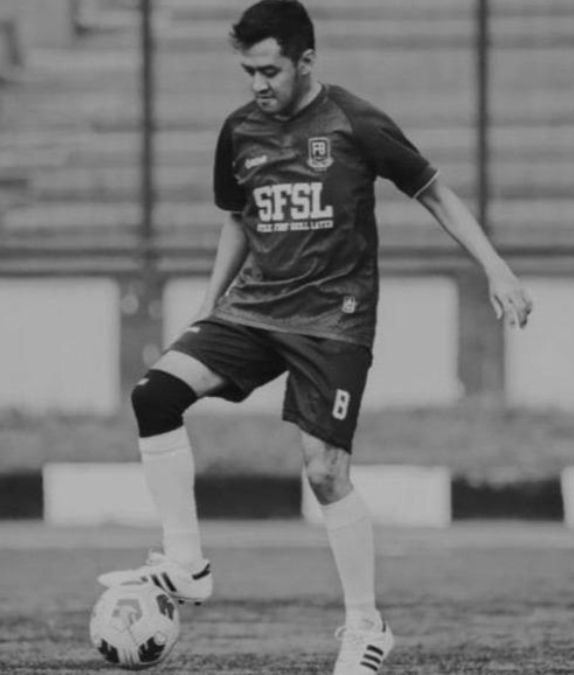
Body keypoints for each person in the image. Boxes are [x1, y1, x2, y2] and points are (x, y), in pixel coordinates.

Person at [98, 1, 533, 672]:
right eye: (248, 72)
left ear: (305, 61)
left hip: (335, 320)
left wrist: (496, 268)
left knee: (325, 472)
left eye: (269, 71)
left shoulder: (355, 122)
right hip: (254, 311)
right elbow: (239, 218)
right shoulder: (239, 130)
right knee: (154, 394)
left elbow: (434, 191)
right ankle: (186, 564)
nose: (257, 84)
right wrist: (209, 307)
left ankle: (366, 626)